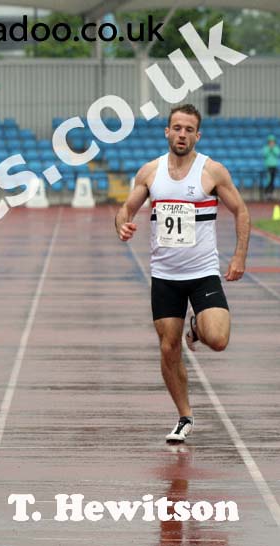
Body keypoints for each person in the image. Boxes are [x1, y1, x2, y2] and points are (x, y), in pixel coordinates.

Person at [114, 104, 250, 443]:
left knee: (217, 339)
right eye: (177, 128)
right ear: (167, 132)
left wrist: (239, 257)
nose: (182, 134)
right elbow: (126, 207)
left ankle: (197, 327)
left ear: (197, 135)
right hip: (164, 276)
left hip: (203, 272)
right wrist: (123, 225)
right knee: (167, 348)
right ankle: (184, 416)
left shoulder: (212, 172)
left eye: (189, 129)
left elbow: (241, 211)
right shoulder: (150, 172)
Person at [262, 134, 278, 199]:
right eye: (270, 141)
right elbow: (265, 154)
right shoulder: (266, 148)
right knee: (269, 180)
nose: (272, 143)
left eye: (273, 141)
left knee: (273, 180)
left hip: (274, 166)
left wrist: (273, 149)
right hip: (268, 167)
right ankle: (266, 193)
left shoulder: (276, 148)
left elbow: (277, 153)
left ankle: (271, 193)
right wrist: (270, 149)